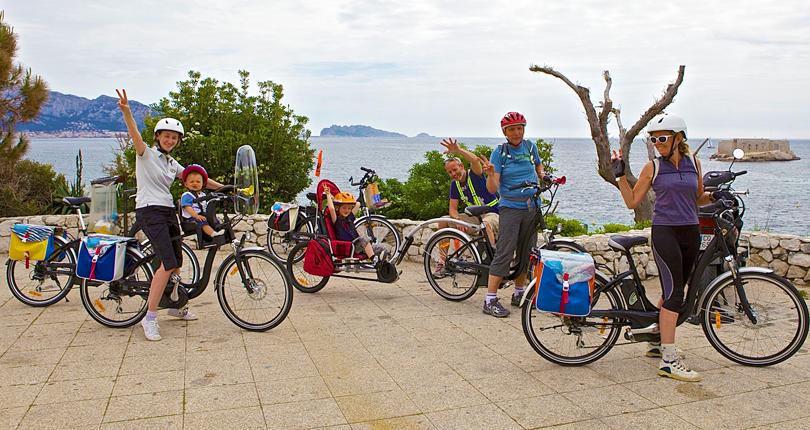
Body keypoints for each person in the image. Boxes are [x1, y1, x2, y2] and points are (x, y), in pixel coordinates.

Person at [116, 89, 224, 341]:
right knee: (166, 264)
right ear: (158, 137)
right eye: (166, 136)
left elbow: (199, 179)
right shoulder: (146, 154)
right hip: (149, 210)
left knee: (177, 261)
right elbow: (135, 137)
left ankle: (174, 304)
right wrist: (127, 113)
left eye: (174, 138)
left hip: (167, 210)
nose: (170, 140)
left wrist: (229, 189)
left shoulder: (171, 163)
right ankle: (149, 318)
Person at [611, 113, 712, 382]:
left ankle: (655, 339)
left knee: (677, 289)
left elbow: (698, 198)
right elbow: (633, 202)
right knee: (675, 294)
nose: (657, 142)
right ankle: (668, 360)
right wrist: (620, 176)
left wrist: (715, 195)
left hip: (691, 231)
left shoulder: (695, 164)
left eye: (662, 138)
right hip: (665, 231)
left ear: (679, 138)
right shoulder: (653, 167)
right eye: (653, 139)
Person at [480, 112, 545, 317]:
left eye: (520, 128)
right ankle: (490, 299)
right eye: (512, 129)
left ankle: (519, 294)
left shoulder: (530, 147)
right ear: (505, 132)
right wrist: (490, 173)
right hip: (510, 207)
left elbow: (538, 164)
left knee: (527, 251)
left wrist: (543, 175)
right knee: (505, 251)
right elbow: (493, 188)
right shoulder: (499, 153)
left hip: (531, 207)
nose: (516, 132)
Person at [433, 138, 500, 277]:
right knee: (443, 221)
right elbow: (452, 209)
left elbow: (475, 160)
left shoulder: (475, 174)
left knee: (486, 225)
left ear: (462, 166)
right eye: (450, 172)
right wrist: (458, 220)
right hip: (474, 217)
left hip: (492, 213)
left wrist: (458, 150)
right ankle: (443, 261)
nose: (453, 174)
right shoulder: (454, 185)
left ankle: (492, 264)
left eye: (455, 170)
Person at [323, 185, 380, 264]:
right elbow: (332, 209)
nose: (347, 210)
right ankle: (374, 260)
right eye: (344, 208)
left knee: (382, 247)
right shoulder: (337, 221)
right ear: (337, 208)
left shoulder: (350, 217)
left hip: (359, 245)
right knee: (363, 238)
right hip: (349, 246)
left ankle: (383, 266)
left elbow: (358, 204)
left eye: (349, 208)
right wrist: (328, 195)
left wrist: (346, 200)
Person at [180, 164, 218, 238]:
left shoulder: (203, 195)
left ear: (202, 183)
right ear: (186, 184)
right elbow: (188, 207)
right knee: (202, 222)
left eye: (198, 182)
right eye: (192, 182)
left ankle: (218, 233)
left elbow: (206, 206)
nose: (195, 183)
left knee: (215, 221)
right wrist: (196, 216)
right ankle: (213, 234)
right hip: (191, 218)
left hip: (202, 215)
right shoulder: (187, 195)